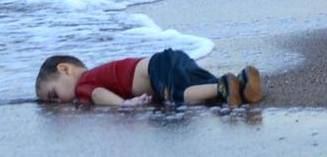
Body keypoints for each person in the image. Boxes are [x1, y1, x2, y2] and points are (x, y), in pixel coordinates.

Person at [34, 48, 264, 107]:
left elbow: (97, 95)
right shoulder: (98, 73)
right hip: (169, 59)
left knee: (179, 96)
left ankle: (223, 87)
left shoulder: (83, 83)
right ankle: (241, 82)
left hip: (156, 68)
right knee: (200, 86)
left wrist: (124, 104)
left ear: (65, 70)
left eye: (53, 95)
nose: (58, 102)